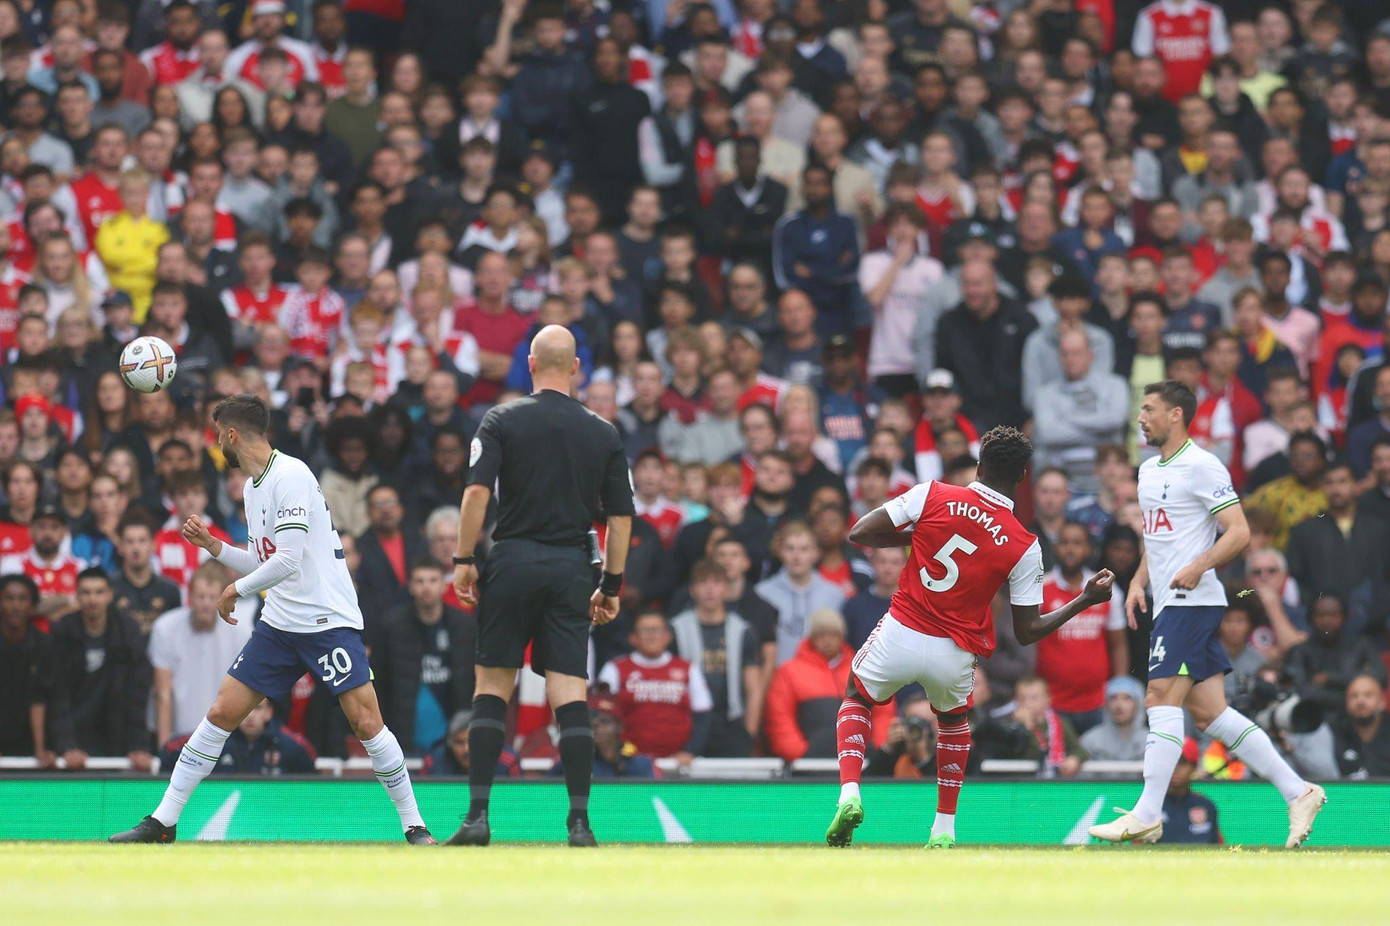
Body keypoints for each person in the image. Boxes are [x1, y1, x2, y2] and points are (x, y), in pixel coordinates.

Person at [110, 394, 435, 845]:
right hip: (281, 622)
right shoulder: (252, 486)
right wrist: (215, 548)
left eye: (217, 434)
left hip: (326, 618)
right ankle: (163, 821)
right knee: (222, 712)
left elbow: (289, 561)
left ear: (232, 434)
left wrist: (232, 589)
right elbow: (265, 561)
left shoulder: (292, 475)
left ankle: (414, 825)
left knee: (366, 722)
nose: (216, 443)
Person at [827, 426, 1116, 848]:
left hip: (903, 628)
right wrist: (1084, 600)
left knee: (857, 696)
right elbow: (1028, 630)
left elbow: (861, 532)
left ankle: (850, 792)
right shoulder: (1024, 544)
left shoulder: (933, 494)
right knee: (953, 723)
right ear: (1021, 477)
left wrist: (919, 535)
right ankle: (944, 828)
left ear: (979, 466)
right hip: (955, 650)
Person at [1090, 380, 1325, 848]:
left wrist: (1198, 567)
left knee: (1158, 699)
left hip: (1193, 602)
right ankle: (1298, 791)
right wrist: (1140, 579)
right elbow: (1158, 542)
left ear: (1176, 415)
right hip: (1169, 601)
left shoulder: (1202, 465)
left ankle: (1147, 813)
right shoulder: (1149, 470)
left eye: (1149, 409)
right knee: (1211, 713)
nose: (1141, 417)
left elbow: (1238, 532)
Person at [448, 324, 635, 848]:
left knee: (492, 688)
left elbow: (476, 496)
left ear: (530, 364)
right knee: (569, 692)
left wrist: (465, 560)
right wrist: (612, 584)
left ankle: (478, 818)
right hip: (571, 567)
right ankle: (579, 823)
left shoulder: (501, 419)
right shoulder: (603, 432)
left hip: (511, 561)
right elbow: (620, 520)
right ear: (576, 368)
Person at [370, 559, 478, 755]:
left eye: (432, 580)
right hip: (403, 734)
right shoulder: (391, 626)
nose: (426, 587)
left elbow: (473, 680)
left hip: (455, 738)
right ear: (410, 587)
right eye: (419, 581)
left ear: (444, 586)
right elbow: (379, 681)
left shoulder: (465, 626)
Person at [48, 568, 152, 771]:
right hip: (75, 732)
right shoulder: (62, 632)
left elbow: (138, 691)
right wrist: (66, 745)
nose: (92, 599)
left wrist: (139, 745)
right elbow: (56, 694)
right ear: (77, 596)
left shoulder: (127, 631)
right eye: (86, 592)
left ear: (110, 595)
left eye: (98, 592)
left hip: (117, 731)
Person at [1034, 522, 1128, 733]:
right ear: (1056, 548)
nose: (1070, 549)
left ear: (1088, 549)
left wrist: (1119, 689)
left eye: (1077, 543)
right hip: (1051, 702)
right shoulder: (1041, 588)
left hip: (1098, 701)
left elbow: (1119, 645)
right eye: (1064, 542)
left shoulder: (1105, 588)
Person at [596, 609, 713, 761]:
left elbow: (703, 716)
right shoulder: (614, 669)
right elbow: (601, 715)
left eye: (656, 630)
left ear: (668, 636)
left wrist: (690, 752)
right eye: (645, 631)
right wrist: (620, 754)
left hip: (678, 763)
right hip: (629, 762)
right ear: (632, 638)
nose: (651, 636)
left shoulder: (688, 669)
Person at [1156, 738, 1224, 845]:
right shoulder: (1150, 804)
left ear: (1194, 767)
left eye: (1182, 763)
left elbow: (1219, 847)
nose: (1175, 768)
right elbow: (1137, 849)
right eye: (1170, 762)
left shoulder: (1206, 805)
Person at [1332, 674, 1390, 779]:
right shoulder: (1333, 732)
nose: (1360, 701)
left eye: (1368, 695)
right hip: (1347, 794)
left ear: (1382, 701)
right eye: (1354, 696)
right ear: (1346, 703)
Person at [1079, 676, 1149, 761]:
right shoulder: (1090, 741)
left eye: (1126, 698)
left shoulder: (1150, 741)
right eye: (1113, 698)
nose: (1119, 705)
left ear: (1138, 703)